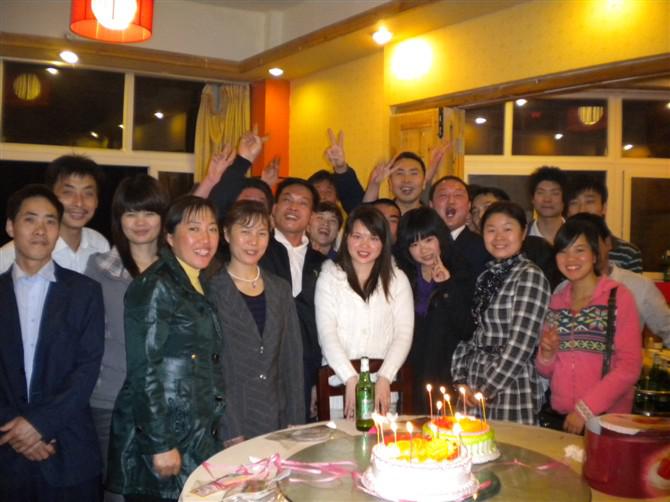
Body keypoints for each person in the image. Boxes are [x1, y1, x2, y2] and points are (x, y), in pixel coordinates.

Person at [107, 196, 226, 502]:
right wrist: (159, 444)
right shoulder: (156, 284)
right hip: (164, 435)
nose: (206, 239)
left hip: (193, 432)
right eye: (194, 228)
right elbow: (144, 369)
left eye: (212, 229)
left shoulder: (198, 281)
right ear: (170, 237)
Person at [0, 184, 104, 501]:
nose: (40, 230)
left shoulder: (85, 292)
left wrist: (40, 424)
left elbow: (86, 370)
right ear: (11, 227)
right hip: (6, 453)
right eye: (30, 219)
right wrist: (15, 429)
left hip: (69, 450)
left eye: (50, 221)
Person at [84, 175, 169, 502]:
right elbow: (87, 338)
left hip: (166, 402)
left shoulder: (179, 270)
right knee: (117, 493)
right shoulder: (98, 268)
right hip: (110, 400)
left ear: (162, 217)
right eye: (131, 213)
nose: (140, 222)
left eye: (149, 212)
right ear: (119, 219)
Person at [208, 201, 305, 439]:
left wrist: (296, 420)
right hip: (233, 417)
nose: (254, 241)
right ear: (227, 234)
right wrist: (229, 429)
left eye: (262, 233)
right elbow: (212, 368)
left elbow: (292, 357)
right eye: (245, 231)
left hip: (276, 415)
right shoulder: (211, 290)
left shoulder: (280, 289)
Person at [536, 218, 642, 434]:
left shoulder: (618, 297)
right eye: (563, 251)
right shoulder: (556, 302)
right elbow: (546, 371)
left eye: (580, 250)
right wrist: (547, 354)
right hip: (563, 420)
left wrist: (585, 410)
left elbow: (629, 367)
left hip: (606, 421)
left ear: (594, 255)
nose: (570, 259)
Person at [452, 201, 550, 425]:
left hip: (510, 385)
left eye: (507, 229)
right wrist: (460, 379)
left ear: (523, 232)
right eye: (491, 230)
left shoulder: (529, 275)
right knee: (470, 443)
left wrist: (486, 390)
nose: (499, 237)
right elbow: (470, 333)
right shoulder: (485, 275)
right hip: (474, 381)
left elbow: (521, 345)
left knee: (507, 446)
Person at [315, 205, 414, 418]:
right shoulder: (329, 277)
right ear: (346, 238)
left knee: (385, 439)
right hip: (338, 388)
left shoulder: (397, 280)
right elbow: (326, 333)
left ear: (384, 242)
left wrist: (385, 376)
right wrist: (350, 378)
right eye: (357, 236)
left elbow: (403, 334)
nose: (364, 245)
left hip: (383, 391)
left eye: (373, 238)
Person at [395, 207, 475, 412]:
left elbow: (467, 329)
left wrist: (447, 286)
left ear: (440, 237)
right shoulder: (402, 275)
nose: (423, 250)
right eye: (414, 244)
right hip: (409, 372)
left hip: (446, 373)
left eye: (428, 240)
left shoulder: (460, 270)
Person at [564, 213, 670, 347]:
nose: (588, 253)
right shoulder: (563, 290)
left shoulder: (639, 287)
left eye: (592, 244)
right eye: (576, 249)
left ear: (608, 243)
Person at [0, 155, 109, 273]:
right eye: (68, 192)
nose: (79, 203)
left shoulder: (98, 244)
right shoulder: (10, 256)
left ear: (97, 201)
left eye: (88, 193)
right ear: (51, 198)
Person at [469, 185, 562, 289]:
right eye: (475, 211)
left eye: (488, 207)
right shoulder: (483, 271)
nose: (481, 215)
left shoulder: (534, 256)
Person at [566, 174, 643, 273]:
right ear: (566, 211)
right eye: (573, 203)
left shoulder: (628, 253)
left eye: (589, 201)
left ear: (604, 207)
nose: (582, 209)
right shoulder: (559, 250)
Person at [430, 176, 491, 277]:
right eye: (443, 195)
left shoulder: (483, 247)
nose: (451, 201)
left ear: (469, 206)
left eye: (458, 195)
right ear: (431, 205)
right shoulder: (420, 245)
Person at [527, 166, 567, 245]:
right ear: (532, 199)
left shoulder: (577, 235)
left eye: (555, 193)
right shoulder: (522, 236)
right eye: (540, 192)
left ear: (564, 199)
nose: (547, 199)